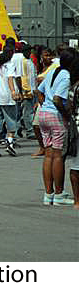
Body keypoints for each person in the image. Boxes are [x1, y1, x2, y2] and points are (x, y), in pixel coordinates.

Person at [37, 49, 74, 206]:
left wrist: (44, 105)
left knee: (49, 154)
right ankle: (59, 194)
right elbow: (58, 99)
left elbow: (39, 91)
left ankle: (48, 193)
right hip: (56, 116)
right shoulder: (66, 75)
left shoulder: (53, 71)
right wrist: (66, 116)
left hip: (44, 114)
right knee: (58, 155)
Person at [65, 55, 79, 209]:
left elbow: (69, 107)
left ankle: (77, 200)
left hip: (74, 126)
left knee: (76, 165)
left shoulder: (72, 87)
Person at [20, 44, 37, 141]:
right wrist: (26, 89)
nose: (29, 53)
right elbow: (23, 77)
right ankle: (30, 131)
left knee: (31, 112)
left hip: (33, 90)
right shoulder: (23, 62)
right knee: (28, 112)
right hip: (27, 91)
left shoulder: (30, 61)